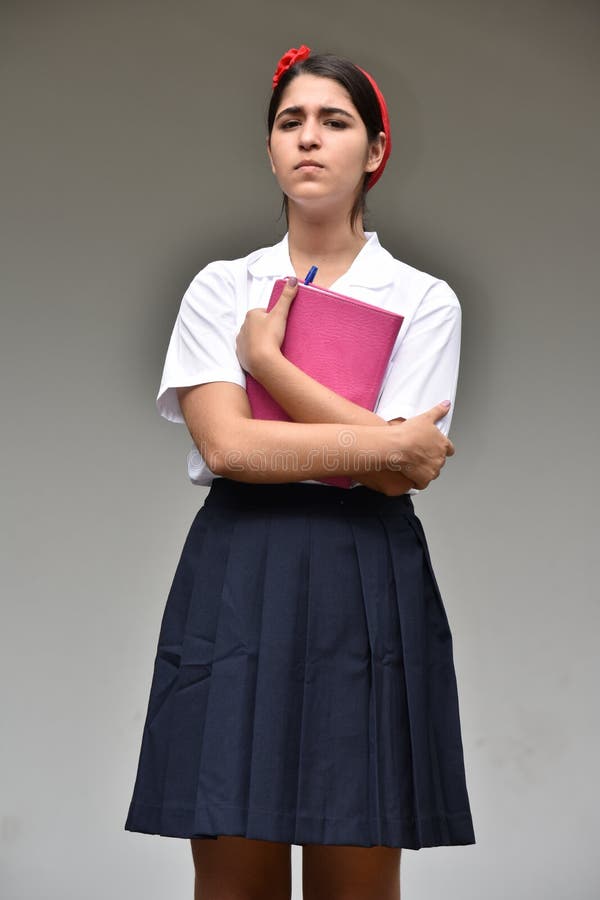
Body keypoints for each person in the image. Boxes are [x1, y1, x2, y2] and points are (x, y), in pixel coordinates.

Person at [124, 44, 476, 900]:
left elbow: (397, 480)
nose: (309, 139)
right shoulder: (221, 286)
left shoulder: (422, 299)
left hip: (367, 577)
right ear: (271, 148)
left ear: (376, 150)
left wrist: (268, 367)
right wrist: (384, 442)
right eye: (290, 122)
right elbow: (232, 451)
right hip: (241, 572)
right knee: (234, 870)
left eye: (335, 121)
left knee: (356, 868)